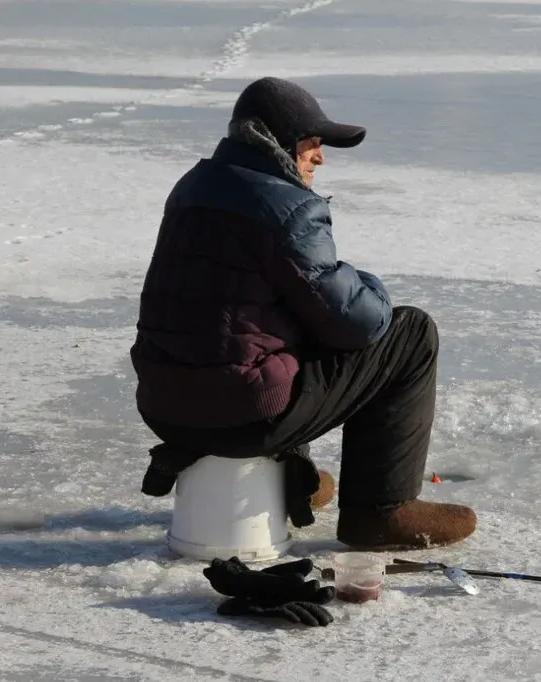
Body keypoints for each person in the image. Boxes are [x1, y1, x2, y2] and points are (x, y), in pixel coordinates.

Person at [130, 76, 476, 550]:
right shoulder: (287, 206)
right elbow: (359, 322)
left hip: (163, 403)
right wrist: (368, 281)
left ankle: (293, 478)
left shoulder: (193, 186)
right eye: (312, 143)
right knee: (410, 332)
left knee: (265, 321)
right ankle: (380, 510)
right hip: (240, 415)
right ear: (275, 143)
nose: (320, 156)